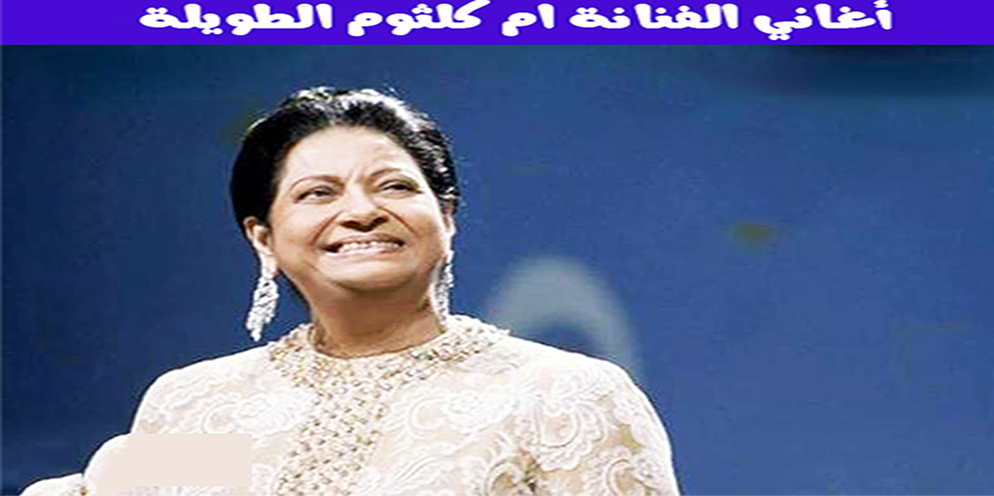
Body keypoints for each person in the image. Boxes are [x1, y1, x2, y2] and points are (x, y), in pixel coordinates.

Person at [22, 87, 681, 495]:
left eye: (394, 186)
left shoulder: (566, 396)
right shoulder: (192, 403)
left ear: (447, 218)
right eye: (318, 193)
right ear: (263, 238)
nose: (362, 212)